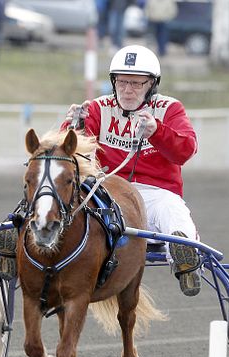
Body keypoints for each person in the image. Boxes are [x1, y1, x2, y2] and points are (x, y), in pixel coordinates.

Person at [62, 45, 201, 296]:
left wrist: (158, 132)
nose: (127, 90)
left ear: (152, 84)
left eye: (136, 84)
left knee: (172, 211)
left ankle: (185, 256)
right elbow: (68, 151)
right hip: (106, 192)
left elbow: (187, 150)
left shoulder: (169, 109)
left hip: (156, 193)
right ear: (113, 81)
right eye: (122, 82)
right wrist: (72, 125)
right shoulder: (96, 108)